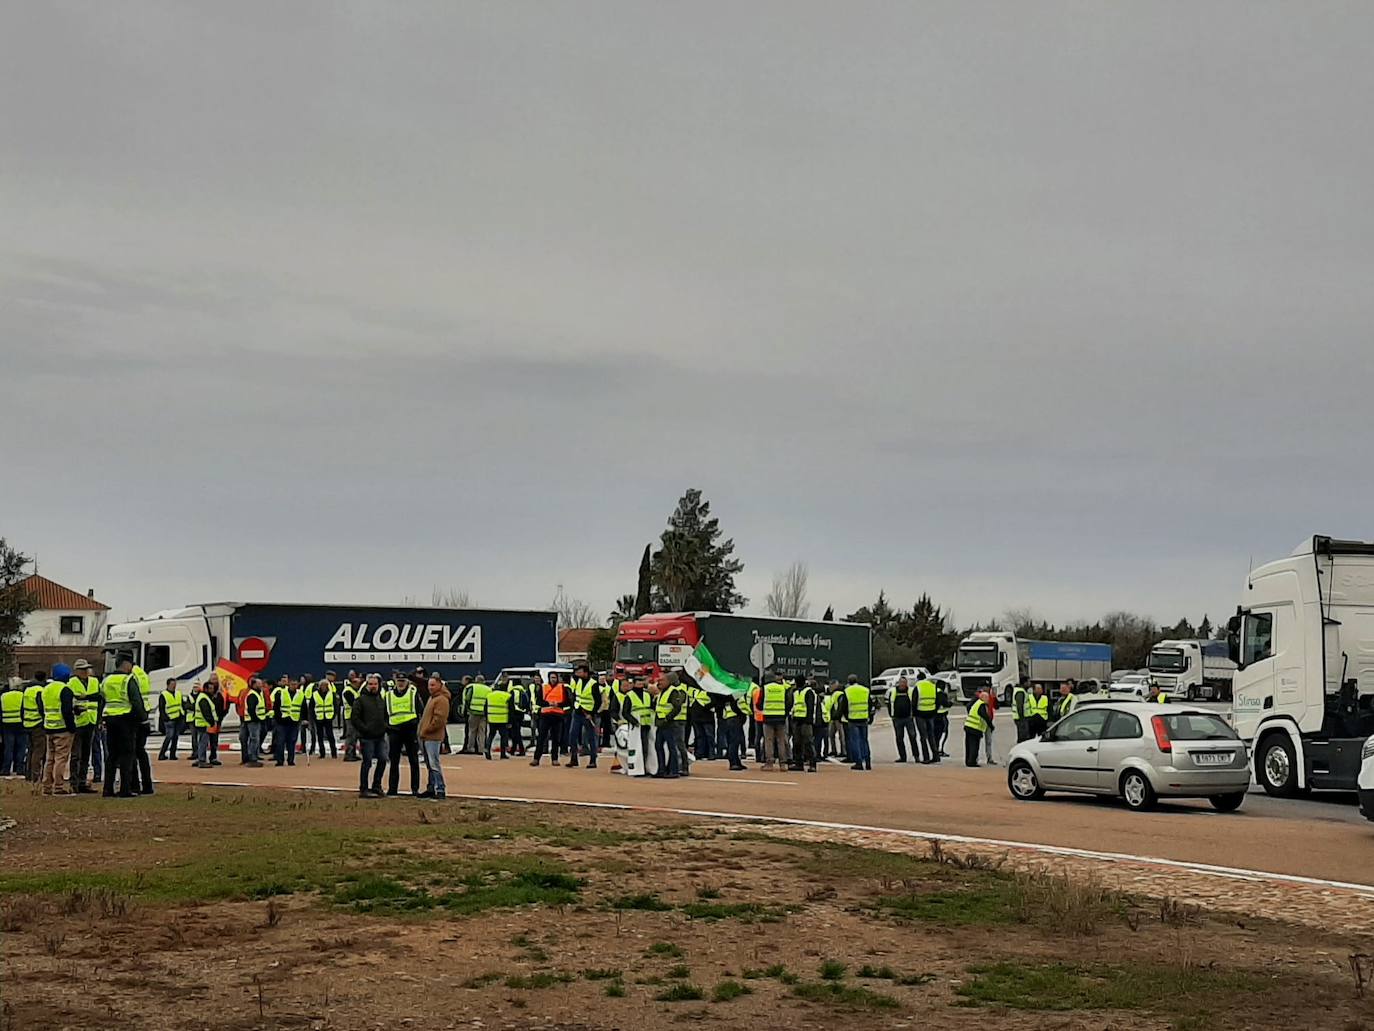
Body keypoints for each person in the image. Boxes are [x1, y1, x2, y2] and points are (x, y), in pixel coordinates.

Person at [101, 655, 145, 797]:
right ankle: (125, 789)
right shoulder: (128, 680)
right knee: (127, 755)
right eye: (131, 664)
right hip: (126, 720)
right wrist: (142, 717)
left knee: (112, 756)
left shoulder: (106, 680)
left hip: (110, 720)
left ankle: (108, 789)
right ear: (125, 664)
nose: (132, 667)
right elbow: (136, 701)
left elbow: (102, 699)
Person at [39, 664, 77, 795]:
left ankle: (46, 786)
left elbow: (42, 708)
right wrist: (72, 727)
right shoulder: (65, 690)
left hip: (49, 727)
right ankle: (58, 786)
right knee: (61, 759)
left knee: (49, 759)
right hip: (62, 728)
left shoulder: (46, 689)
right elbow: (67, 711)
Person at [351, 673, 388, 797]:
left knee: (383, 760)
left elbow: (385, 715)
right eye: (371, 684)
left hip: (380, 736)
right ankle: (364, 789)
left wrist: (385, 726)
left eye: (375, 684)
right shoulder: (360, 700)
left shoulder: (381, 700)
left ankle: (376, 786)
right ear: (366, 685)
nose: (373, 686)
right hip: (367, 738)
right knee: (367, 763)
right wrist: (364, 729)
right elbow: (355, 718)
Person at [68, 660, 101, 793]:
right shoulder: (71, 683)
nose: (85, 672)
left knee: (86, 754)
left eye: (86, 669)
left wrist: (98, 720)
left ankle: (82, 782)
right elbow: (71, 700)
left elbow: (99, 698)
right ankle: (74, 782)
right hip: (78, 722)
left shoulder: (94, 682)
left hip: (91, 721)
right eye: (82, 670)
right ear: (76, 671)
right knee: (76, 755)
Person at [384, 676, 421, 796]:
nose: (400, 684)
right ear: (395, 682)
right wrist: (387, 728)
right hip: (394, 731)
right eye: (399, 681)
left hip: (410, 730)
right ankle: (392, 789)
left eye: (403, 681)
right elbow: (385, 713)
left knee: (413, 761)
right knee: (394, 762)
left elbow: (420, 709)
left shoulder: (413, 693)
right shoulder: (388, 695)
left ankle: (415, 789)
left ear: (407, 682)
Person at [418, 674, 450, 798]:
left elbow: (439, 720)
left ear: (439, 685)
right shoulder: (432, 698)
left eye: (433, 685)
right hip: (426, 737)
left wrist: (426, 730)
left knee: (434, 763)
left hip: (433, 737)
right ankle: (431, 788)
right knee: (430, 764)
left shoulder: (441, 699)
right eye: (429, 685)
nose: (430, 687)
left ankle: (440, 789)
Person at [567, 665, 601, 769]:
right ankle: (574, 759)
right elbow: (575, 695)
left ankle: (593, 760)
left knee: (591, 737)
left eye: (580, 672)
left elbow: (598, 701)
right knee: (572, 736)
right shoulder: (578, 682)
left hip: (588, 714)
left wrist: (592, 713)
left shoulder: (593, 684)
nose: (578, 674)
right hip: (577, 712)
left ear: (586, 673)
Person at [531, 675, 568, 766]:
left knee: (556, 739)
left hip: (557, 715)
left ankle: (554, 759)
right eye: (551, 677)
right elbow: (538, 701)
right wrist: (548, 703)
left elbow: (567, 702)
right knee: (541, 738)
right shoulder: (544, 688)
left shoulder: (562, 688)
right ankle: (536, 759)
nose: (553, 679)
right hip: (545, 715)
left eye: (555, 677)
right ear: (549, 678)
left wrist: (558, 704)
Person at [654, 676, 685, 778]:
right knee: (658, 746)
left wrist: (668, 718)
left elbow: (677, 707)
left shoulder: (673, 691)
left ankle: (674, 770)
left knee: (672, 747)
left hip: (669, 724)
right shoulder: (661, 692)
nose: (659, 682)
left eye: (662, 680)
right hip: (661, 724)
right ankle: (662, 769)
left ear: (669, 681)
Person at [759, 672, 790, 772]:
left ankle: (769, 763)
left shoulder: (765, 688)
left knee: (769, 740)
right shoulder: (782, 688)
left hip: (768, 717)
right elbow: (788, 702)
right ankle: (783, 764)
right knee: (781, 741)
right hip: (780, 717)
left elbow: (759, 703)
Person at [789, 676, 818, 773]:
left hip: (806, 721)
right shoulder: (796, 692)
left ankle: (812, 764)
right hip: (797, 720)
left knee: (808, 742)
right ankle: (798, 763)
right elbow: (794, 705)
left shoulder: (808, 692)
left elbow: (810, 707)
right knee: (797, 742)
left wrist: (808, 720)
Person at [272, 677, 303, 767]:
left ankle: (291, 760)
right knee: (280, 742)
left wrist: (304, 718)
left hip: (294, 721)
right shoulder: (281, 693)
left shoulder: (300, 694)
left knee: (292, 742)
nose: (294, 686)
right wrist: (278, 719)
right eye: (292, 684)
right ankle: (280, 760)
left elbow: (303, 707)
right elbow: (276, 707)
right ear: (289, 684)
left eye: (295, 684)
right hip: (282, 721)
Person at [24, 671, 48, 783]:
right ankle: (35, 775)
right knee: (39, 751)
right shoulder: (40, 690)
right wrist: (45, 719)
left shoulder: (27, 690)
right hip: (37, 723)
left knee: (31, 750)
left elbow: (22, 708)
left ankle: (28, 774)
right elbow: (41, 707)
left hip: (27, 723)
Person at [2, 676, 28, 777]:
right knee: (21, 748)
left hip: (7, 724)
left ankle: (6, 769)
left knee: (8, 748)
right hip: (21, 724)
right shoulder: (23, 695)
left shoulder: (3, 696)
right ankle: (20, 769)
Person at [889, 677, 918, 763]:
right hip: (897, 719)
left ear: (906, 683)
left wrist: (913, 714)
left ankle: (916, 756)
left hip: (908, 718)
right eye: (901, 683)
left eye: (904, 683)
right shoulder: (893, 691)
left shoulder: (910, 691)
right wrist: (892, 715)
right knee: (899, 738)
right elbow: (889, 704)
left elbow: (914, 703)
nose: (902, 684)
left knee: (912, 736)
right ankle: (902, 757)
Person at [192, 681, 220, 768]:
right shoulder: (204, 698)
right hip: (203, 724)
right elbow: (206, 712)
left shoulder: (205, 697)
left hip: (203, 723)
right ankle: (201, 760)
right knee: (203, 743)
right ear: (206, 689)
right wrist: (211, 722)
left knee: (203, 742)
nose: (212, 690)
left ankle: (201, 759)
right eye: (210, 688)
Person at [720, 688, 749, 771]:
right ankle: (733, 763)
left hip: (730, 718)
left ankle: (736, 761)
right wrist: (743, 713)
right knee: (734, 742)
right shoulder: (736, 693)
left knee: (734, 741)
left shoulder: (728, 693)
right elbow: (737, 706)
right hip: (734, 719)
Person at [240, 677, 266, 767]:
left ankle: (249, 757)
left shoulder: (257, 693)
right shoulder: (253, 695)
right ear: (254, 685)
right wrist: (256, 718)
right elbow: (251, 709)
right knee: (254, 739)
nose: (261, 685)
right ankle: (252, 758)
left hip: (249, 719)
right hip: (252, 721)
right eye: (259, 684)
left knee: (249, 739)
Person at [914, 674, 939, 764]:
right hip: (931, 713)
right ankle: (936, 755)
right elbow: (937, 700)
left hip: (920, 714)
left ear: (918, 679)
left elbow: (914, 700)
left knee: (923, 737)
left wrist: (914, 713)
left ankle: (926, 757)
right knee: (931, 735)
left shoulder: (918, 686)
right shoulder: (932, 685)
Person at [158, 678, 185, 761]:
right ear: (168, 685)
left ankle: (172, 754)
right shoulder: (164, 694)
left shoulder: (178, 693)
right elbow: (161, 708)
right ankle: (162, 754)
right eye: (172, 684)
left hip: (178, 718)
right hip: (169, 719)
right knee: (169, 736)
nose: (174, 686)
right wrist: (165, 718)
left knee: (175, 737)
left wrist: (182, 714)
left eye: (175, 684)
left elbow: (181, 704)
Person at [484, 680, 512, 759]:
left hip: (492, 719)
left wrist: (487, 717)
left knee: (491, 735)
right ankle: (503, 754)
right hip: (503, 719)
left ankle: (487, 750)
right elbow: (511, 709)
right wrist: (510, 721)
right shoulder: (507, 696)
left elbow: (485, 708)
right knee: (503, 737)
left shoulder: (489, 695)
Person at [312, 675, 338, 758]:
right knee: (320, 736)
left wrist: (333, 715)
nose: (324, 687)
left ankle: (334, 753)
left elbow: (335, 705)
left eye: (325, 685)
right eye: (322, 685)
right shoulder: (315, 694)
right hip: (318, 718)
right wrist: (313, 717)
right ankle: (322, 753)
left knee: (330, 735)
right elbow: (311, 707)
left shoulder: (332, 694)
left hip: (328, 717)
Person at [965, 690, 992, 767]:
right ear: (983, 698)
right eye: (987, 698)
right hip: (975, 728)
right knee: (974, 745)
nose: (988, 700)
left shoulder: (977, 703)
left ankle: (968, 761)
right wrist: (991, 725)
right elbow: (984, 716)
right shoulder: (981, 705)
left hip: (969, 726)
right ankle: (972, 762)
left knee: (968, 745)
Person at [689, 682, 715, 761]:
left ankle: (711, 753)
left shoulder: (710, 690)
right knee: (699, 736)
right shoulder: (694, 690)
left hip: (707, 717)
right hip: (696, 717)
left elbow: (714, 701)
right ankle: (700, 753)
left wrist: (705, 707)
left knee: (709, 736)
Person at [341, 672, 362, 761]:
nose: (359, 686)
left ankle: (353, 753)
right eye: (358, 684)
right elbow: (353, 703)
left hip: (355, 717)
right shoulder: (348, 691)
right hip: (350, 717)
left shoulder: (354, 690)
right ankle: (348, 754)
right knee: (350, 736)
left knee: (355, 736)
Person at [826, 681, 847, 760]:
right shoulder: (834, 694)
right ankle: (835, 750)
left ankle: (843, 751)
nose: (830, 687)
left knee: (841, 735)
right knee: (832, 735)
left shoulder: (838, 694)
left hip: (837, 718)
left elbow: (838, 706)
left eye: (831, 685)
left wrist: (837, 715)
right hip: (833, 717)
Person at [934, 678, 952, 758]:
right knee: (943, 733)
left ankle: (936, 749)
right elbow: (945, 704)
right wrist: (950, 703)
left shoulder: (933, 692)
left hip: (934, 715)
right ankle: (940, 750)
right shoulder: (941, 693)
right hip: (941, 716)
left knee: (935, 734)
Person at [982, 686, 1000, 765]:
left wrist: (995, 697)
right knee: (976, 741)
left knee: (988, 741)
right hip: (980, 721)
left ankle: (989, 758)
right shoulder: (980, 697)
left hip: (989, 721)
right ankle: (974, 757)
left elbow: (996, 707)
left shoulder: (991, 697)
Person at [1011, 679, 1030, 743]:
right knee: (1023, 736)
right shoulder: (1020, 692)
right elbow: (1019, 706)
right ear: (1024, 683)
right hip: (1021, 718)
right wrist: (1022, 718)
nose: (1029, 683)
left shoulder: (1020, 691)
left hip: (1020, 717)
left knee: (1022, 735)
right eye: (1028, 682)